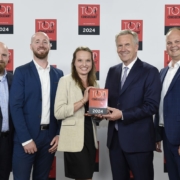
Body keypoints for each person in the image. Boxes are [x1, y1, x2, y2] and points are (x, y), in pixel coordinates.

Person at [103, 29, 161, 180]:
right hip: (115, 142)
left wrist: (122, 115)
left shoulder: (150, 71)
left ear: (136, 46)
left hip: (139, 143)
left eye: (127, 45)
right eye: (119, 45)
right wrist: (98, 111)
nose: (123, 49)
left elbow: (151, 106)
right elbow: (108, 102)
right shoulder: (112, 71)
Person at [9, 32, 63, 180]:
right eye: (37, 41)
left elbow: (62, 107)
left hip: (49, 139)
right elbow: (15, 106)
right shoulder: (21, 72)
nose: (41, 45)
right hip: (25, 138)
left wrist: (59, 134)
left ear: (50, 46)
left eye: (45, 42)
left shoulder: (59, 74)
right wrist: (26, 139)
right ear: (31, 46)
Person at [54, 47, 98, 180]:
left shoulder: (95, 83)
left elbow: (95, 114)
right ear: (74, 62)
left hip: (90, 136)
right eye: (80, 60)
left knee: (86, 176)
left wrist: (99, 115)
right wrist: (83, 100)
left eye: (87, 60)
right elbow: (58, 112)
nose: (84, 64)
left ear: (92, 63)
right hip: (73, 138)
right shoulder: (65, 81)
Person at [154, 27, 180, 180]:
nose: (173, 45)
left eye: (177, 41)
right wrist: (157, 134)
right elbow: (160, 105)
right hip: (166, 136)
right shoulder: (163, 72)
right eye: (169, 42)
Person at [0, 42, 13, 180]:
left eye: (4, 55)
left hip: (7, 142)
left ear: (8, 58)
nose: (0, 58)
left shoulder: (14, 80)